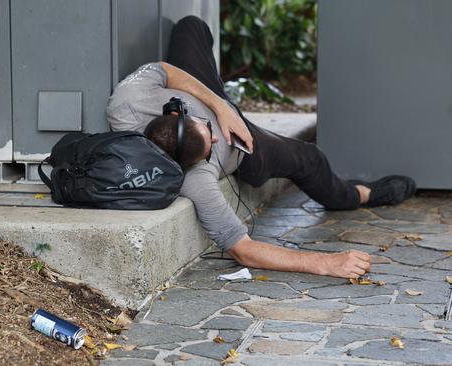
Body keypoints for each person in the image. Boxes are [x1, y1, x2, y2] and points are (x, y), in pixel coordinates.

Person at [106, 16, 416, 279]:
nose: (215, 137)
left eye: (207, 132)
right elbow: (244, 250)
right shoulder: (194, 182)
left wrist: (221, 108)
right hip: (245, 146)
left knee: (191, 27)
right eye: (209, 149)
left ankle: (223, 100)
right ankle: (359, 194)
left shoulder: (125, 104)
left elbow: (165, 69)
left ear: (175, 111)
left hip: (214, 101)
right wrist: (326, 263)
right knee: (310, 157)